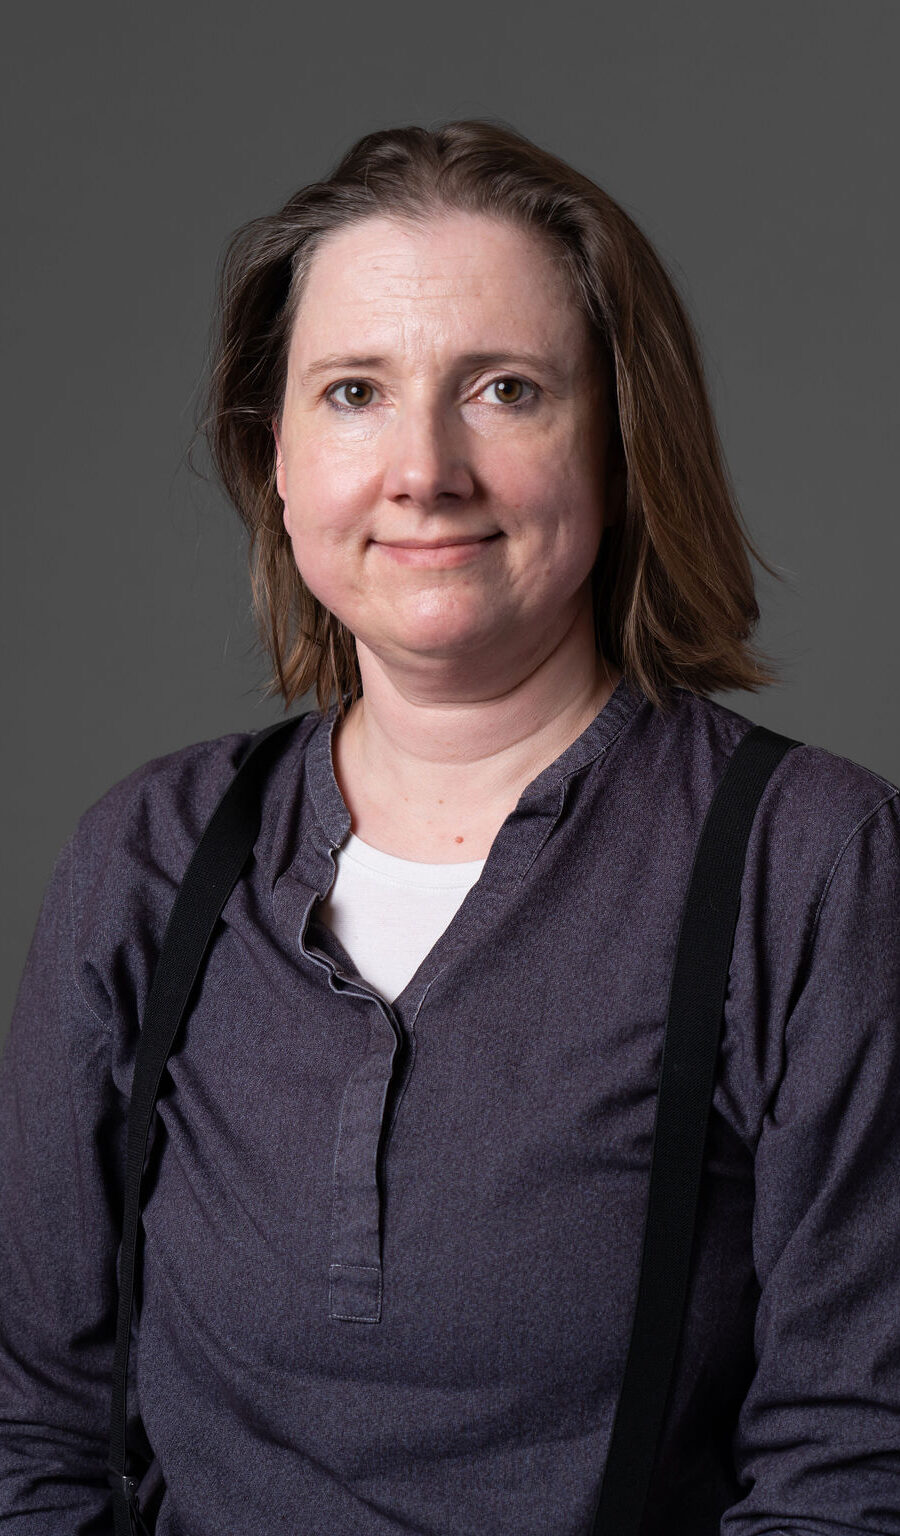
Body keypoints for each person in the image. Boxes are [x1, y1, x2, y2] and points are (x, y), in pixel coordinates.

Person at [1, 119, 898, 1536]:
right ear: (275, 456)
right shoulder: (148, 858)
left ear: (618, 438)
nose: (425, 467)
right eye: (353, 391)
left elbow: (857, 1459)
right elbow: (30, 1426)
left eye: (504, 389)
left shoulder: (808, 862)